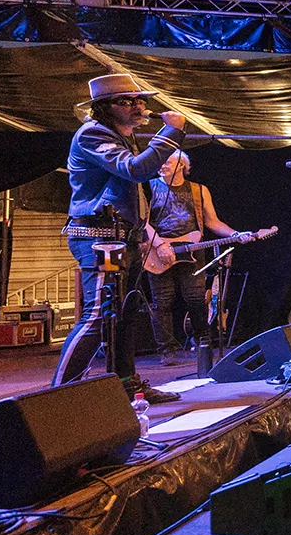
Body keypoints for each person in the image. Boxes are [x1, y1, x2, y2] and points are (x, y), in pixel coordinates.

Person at [52, 74, 186, 403]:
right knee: (98, 315)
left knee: (124, 315)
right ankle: (57, 395)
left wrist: (141, 234)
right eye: (128, 101)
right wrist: (170, 132)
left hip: (123, 236)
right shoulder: (93, 133)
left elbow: (134, 180)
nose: (139, 106)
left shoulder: (124, 136)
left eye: (140, 100)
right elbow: (135, 171)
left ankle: (127, 386)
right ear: (104, 108)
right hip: (98, 235)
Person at [143, 150, 272, 365]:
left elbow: (212, 222)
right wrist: (160, 244)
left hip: (192, 251)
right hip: (158, 251)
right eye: (161, 161)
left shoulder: (199, 190)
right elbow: (142, 222)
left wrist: (235, 234)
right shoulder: (149, 187)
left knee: (196, 299)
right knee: (162, 302)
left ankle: (203, 343)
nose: (162, 165)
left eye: (168, 161)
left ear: (181, 165)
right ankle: (167, 350)